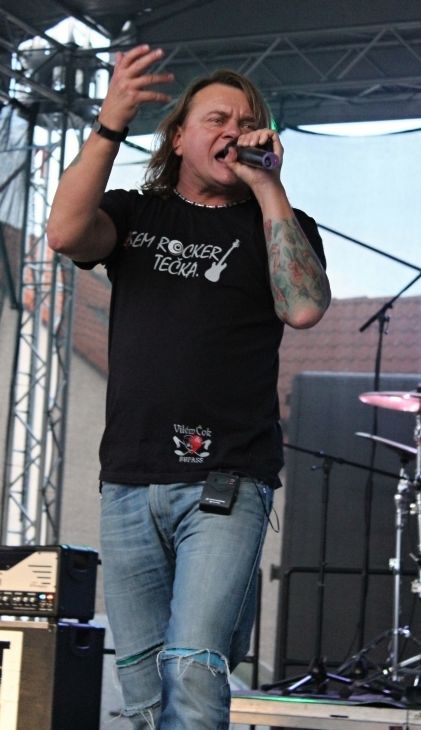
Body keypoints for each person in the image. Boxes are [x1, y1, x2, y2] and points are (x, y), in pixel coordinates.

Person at [47, 44, 330, 730]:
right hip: (129, 478)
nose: (234, 130)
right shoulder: (135, 214)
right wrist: (110, 123)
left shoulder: (280, 224)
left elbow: (302, 308)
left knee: (193, 665)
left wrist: (268, 186)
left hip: (226, 477)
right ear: (178, 137)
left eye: (247, 121)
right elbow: (63, 233)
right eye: (217, 118)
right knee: (143, 687)